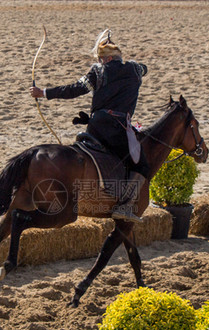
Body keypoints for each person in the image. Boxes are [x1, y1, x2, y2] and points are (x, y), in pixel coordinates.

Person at [29, 29, 149, 223]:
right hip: (118, 129)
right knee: (142, 165)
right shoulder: (135, 70)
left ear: (106, 59)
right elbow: (144, 68)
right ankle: (126, 206)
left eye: (101, 60)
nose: (100, 62)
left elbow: (74, 89)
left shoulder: (98, 71)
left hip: (96, 127)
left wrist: (43, 92)